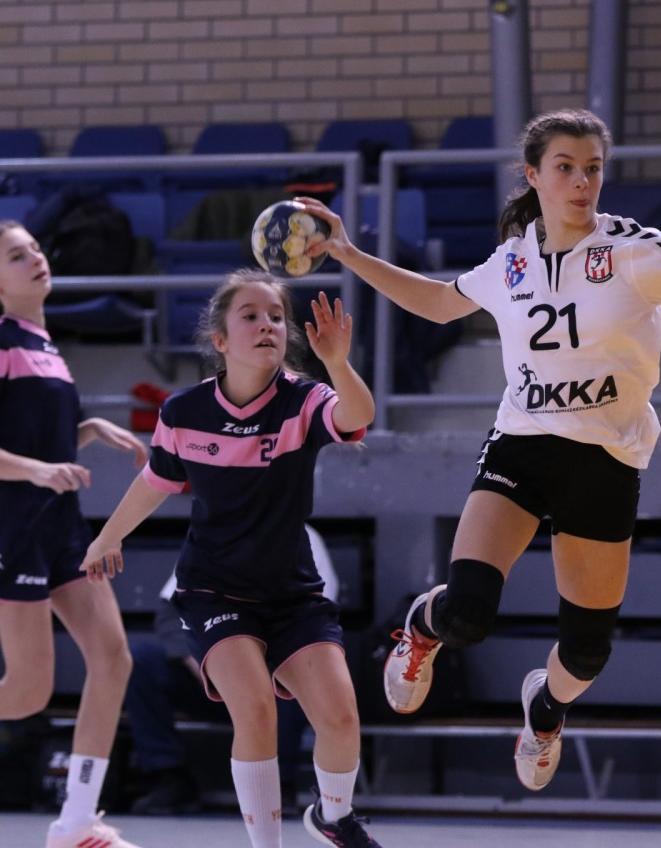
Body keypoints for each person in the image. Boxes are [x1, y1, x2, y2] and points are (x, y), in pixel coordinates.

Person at [292, 106, 661, 793]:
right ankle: (420, 629)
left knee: (587, 652)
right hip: (522, 444)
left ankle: (544, 710)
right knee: (466, 613)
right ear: (533, 175)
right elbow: (440, 303)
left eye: (593, 168)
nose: (582, 182)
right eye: (565, 167)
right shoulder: (513, 259)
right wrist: (347, 254)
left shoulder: (638, 250)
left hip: (606, 461)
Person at [80, 272, 381, 848]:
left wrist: (338, 364)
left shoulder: (303, 399)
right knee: (256, 709)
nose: (267, 325)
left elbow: (356, 414)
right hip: (214, 589)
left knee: (341, 718)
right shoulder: (183, 411)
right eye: (251, 315)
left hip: (293, 593)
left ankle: (334, 817)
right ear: (220, 339)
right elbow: (155, 482)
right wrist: (107, 538)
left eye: (277, 316)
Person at [0, 220, 149, 848]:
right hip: (14, 525)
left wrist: (89, 430)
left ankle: (77, 822)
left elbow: (34, 430)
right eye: (16, 255)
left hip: (61, 523)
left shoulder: (44, 343)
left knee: (113, 658)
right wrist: (38, 469)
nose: (35, 258)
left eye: (35, 248)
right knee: (27, 692)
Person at [124, 525, 337, 817]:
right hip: (207, 674)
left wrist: (251, 675)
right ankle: (169, 776)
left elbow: (315, 623)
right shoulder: (211, 528)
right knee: (141, 660)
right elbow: (171, 612)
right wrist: (201, 664)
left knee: (297, 671)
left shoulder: (304, 537)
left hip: (270, 675)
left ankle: (279, 783)